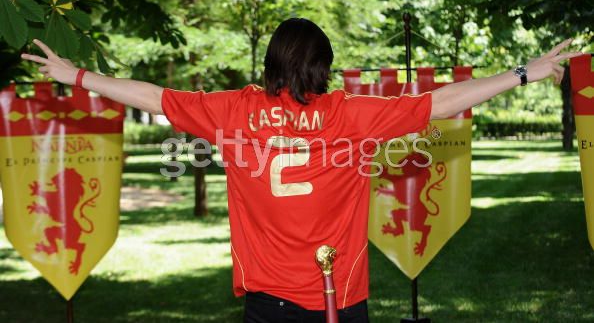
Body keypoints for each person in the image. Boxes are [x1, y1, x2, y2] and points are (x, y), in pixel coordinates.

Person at [22, 18, 583, 322]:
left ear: (271, 64)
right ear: (322, 66)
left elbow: (152, 94)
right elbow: (441, 101)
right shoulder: (349, 115)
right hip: (339, 296)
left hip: (267, 303)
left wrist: (75, 76)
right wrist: (523, 72)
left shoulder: (233, 110)